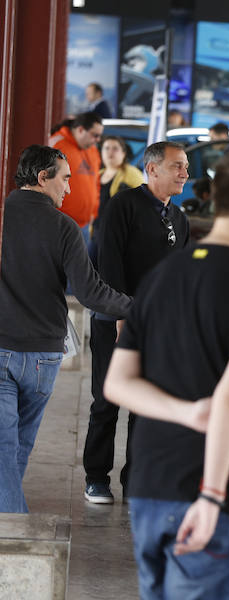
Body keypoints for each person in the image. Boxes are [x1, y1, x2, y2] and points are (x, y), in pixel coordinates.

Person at [103, 144, 229, 598]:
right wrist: (211, 496)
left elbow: (118, 383)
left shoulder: (163, 276)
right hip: (212, 496)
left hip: (151, 487)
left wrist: (186, 413)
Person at [0, 145, 131, 513]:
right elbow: (91, 293)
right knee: (16, 449)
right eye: (66, 179)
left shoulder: (2, 216)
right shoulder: (64, 228)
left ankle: (9, 532)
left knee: (5, 452)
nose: (69, 189)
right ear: (43, 178)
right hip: (42, 356)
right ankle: (13, 529)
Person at [82, 141, 191, 504]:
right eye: (177, 166)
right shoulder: (123, 206)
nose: (185, 174)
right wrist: (120, 317)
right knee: (107, 401)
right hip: (116, 321)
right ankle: (96, 477)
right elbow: (109, 263)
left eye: (186, 166)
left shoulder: (179, 218)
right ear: (153, 169)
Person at [49, 112, 103, 236]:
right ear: (80, 130)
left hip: (84, 225)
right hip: (59, 225)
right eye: (95, 135)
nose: (98, 140)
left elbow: (96, 183)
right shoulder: (56, 145)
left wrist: (93, 212)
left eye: (99, 136)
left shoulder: (93, 149)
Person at [93, 136, 144, 263]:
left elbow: (143, 203)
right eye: (106, 148)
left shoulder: (132, 174)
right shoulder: (98, 174)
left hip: (118, 235)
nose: (110, 152)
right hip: (96, 231)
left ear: (123, 153)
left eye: (115, 148)